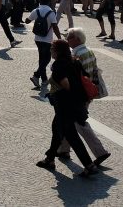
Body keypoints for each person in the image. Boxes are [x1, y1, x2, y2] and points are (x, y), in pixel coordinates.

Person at [34, 40, 96, 176]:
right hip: (76, 103)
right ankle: (49, 159)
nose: (51, 51)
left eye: (52, 49)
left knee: (71, 135)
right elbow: (86, 76)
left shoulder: (58, 66)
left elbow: (66, 85)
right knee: (57, 129)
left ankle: (89, 165)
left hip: (65, 105)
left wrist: (55, 93)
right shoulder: (75, 61)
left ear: (58, 51)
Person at [60, 28, 111, 168]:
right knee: (68, 121)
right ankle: (63, 149)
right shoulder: (88, 51)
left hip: (78, 94)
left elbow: (75, 76)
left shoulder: (77, 55)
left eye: (69, 37)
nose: (67, 39)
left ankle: (100, 152)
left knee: (80, 123)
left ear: (77, 39)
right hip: (87, 92)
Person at [27, 0, 61, 91]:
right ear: (49, 2)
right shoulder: (51, 12)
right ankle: (36, 76)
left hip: (37, 38)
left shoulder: (36, 10)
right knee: (46, 59)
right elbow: (55, 26)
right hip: (47, 39)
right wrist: (59, 38)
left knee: (42, 58)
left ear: (40, 1)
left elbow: (27, 21)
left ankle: (44, 79)